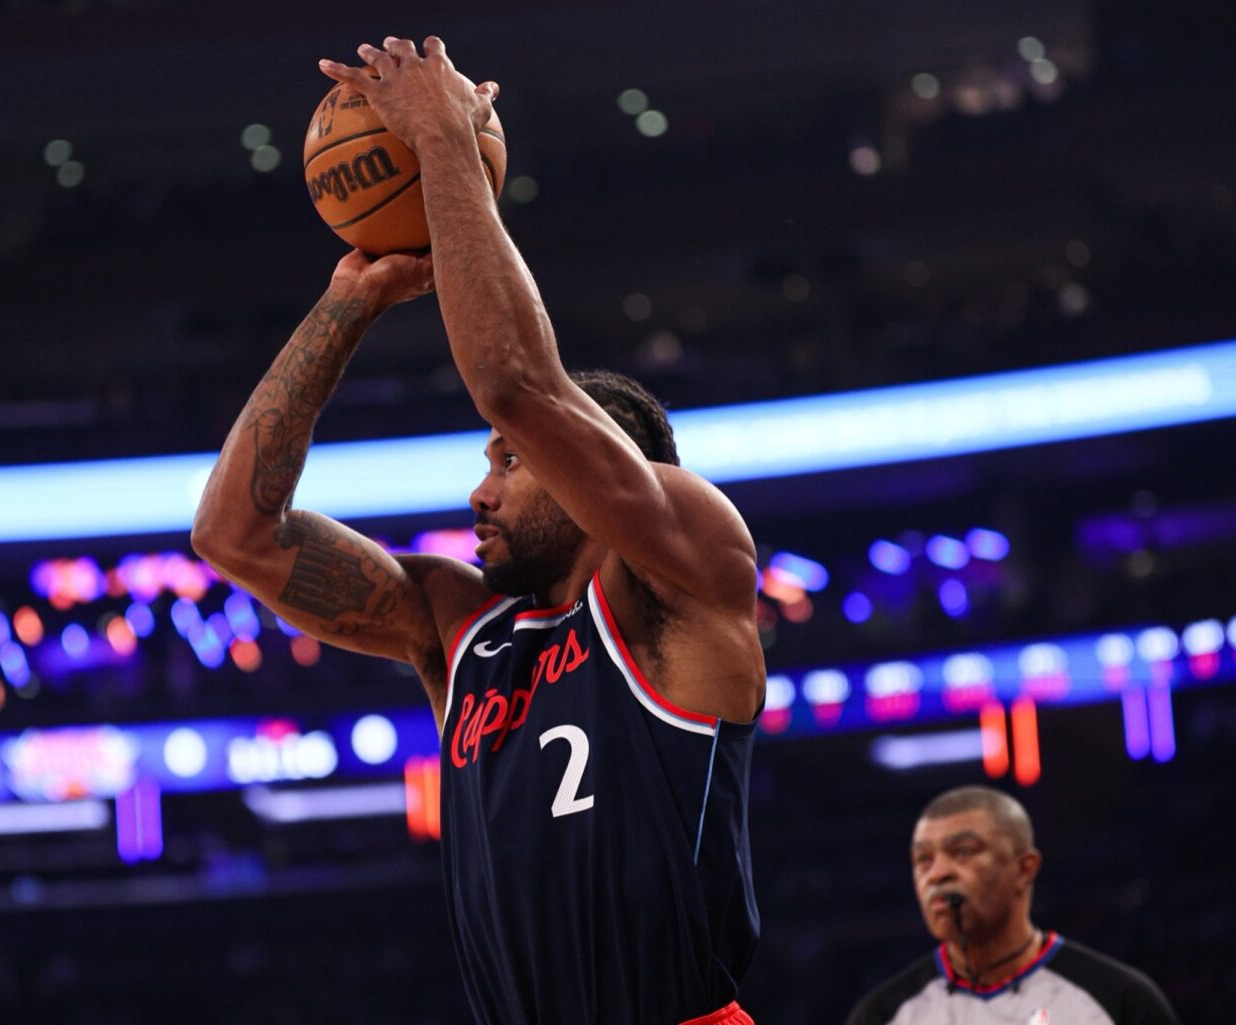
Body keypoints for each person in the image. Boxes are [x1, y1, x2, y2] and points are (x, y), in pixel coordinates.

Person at [192, 34, 765, 1025]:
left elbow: (514, 378)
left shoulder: (687, 565)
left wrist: (445, 142)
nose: (479, 490)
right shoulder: (460, 628)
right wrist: (345, 303)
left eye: (508, 459)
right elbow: (234, 534)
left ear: (605, 470)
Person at [847, 785, 1181, 1025]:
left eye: (962, 851)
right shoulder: (883, 1014)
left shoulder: (1120, 1000)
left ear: (1024, 869)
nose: (937, 873)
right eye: (923, 860)